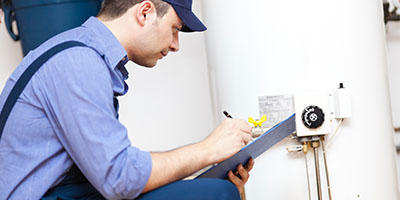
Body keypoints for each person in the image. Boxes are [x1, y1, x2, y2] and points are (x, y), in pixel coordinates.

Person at [0, 0, 254, 199]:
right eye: (175, 29)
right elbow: (118, 177)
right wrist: (209, 149)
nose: (176, 45)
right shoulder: (78, 62)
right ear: (145, 12)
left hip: (70, 192)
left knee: (217, 190)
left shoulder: (83, 53)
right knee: (216, 194)